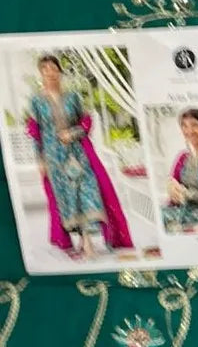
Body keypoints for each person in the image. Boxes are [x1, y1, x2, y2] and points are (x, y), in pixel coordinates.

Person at [26, 54, 133, 259]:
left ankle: (88, 240)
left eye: (54, 68)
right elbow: (35, 132)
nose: (50, 73)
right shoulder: (36, 101)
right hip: (54, 157)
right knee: (68, 198)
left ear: (60, 72)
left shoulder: (73, 97)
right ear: (41, 74)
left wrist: (72, 133)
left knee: (88, 189)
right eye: (45, 69)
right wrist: (40, 160)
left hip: (77, 153)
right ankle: (84, 239)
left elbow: (86, 123)